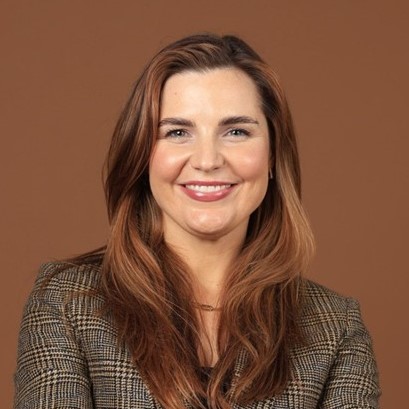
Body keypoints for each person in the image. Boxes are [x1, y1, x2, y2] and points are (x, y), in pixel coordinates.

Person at [14, 33, 380, 409]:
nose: (207, 160)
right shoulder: (67, 304)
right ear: (142, 154)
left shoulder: (335, 327)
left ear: (272, 155)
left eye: (236, 132)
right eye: (177, 132)